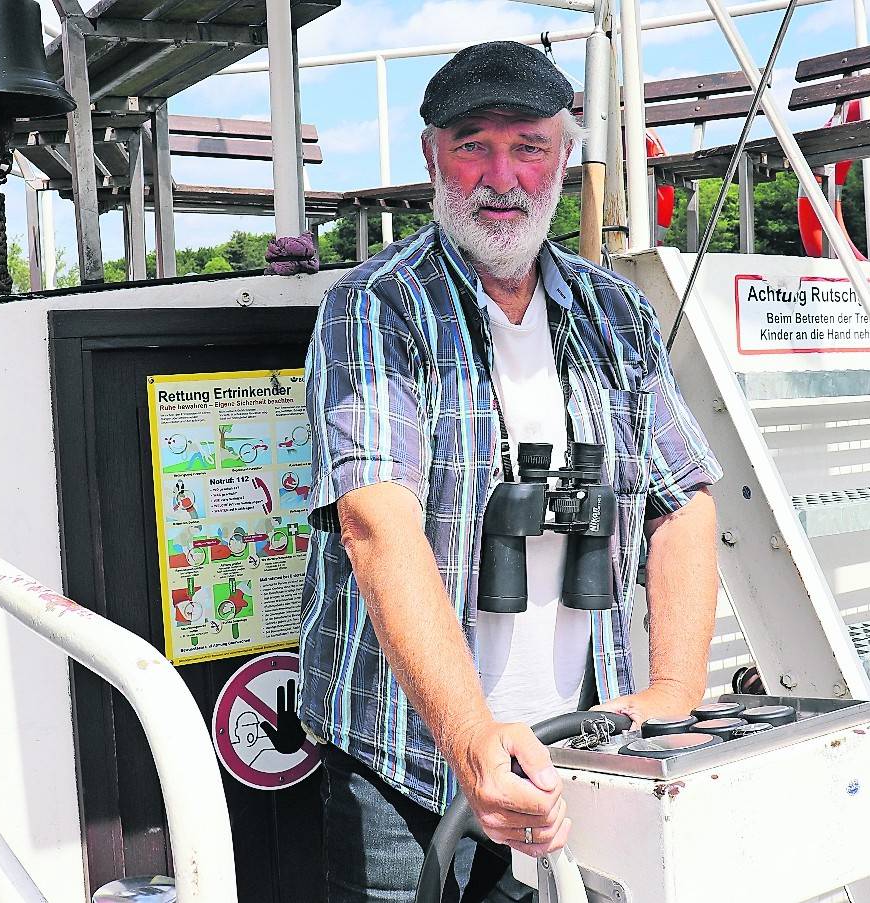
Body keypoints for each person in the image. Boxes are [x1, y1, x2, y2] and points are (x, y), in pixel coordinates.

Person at [299, 40, 723, 902]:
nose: (503, 176)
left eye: (529, 146)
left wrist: (673, 691)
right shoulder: (375, 305)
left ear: (563, 156)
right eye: (473, 145)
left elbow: (683, 503)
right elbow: (376, 522)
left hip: (583, 751)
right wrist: (469, 738)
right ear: (431, 157)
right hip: (408, 761)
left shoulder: (615, 311)